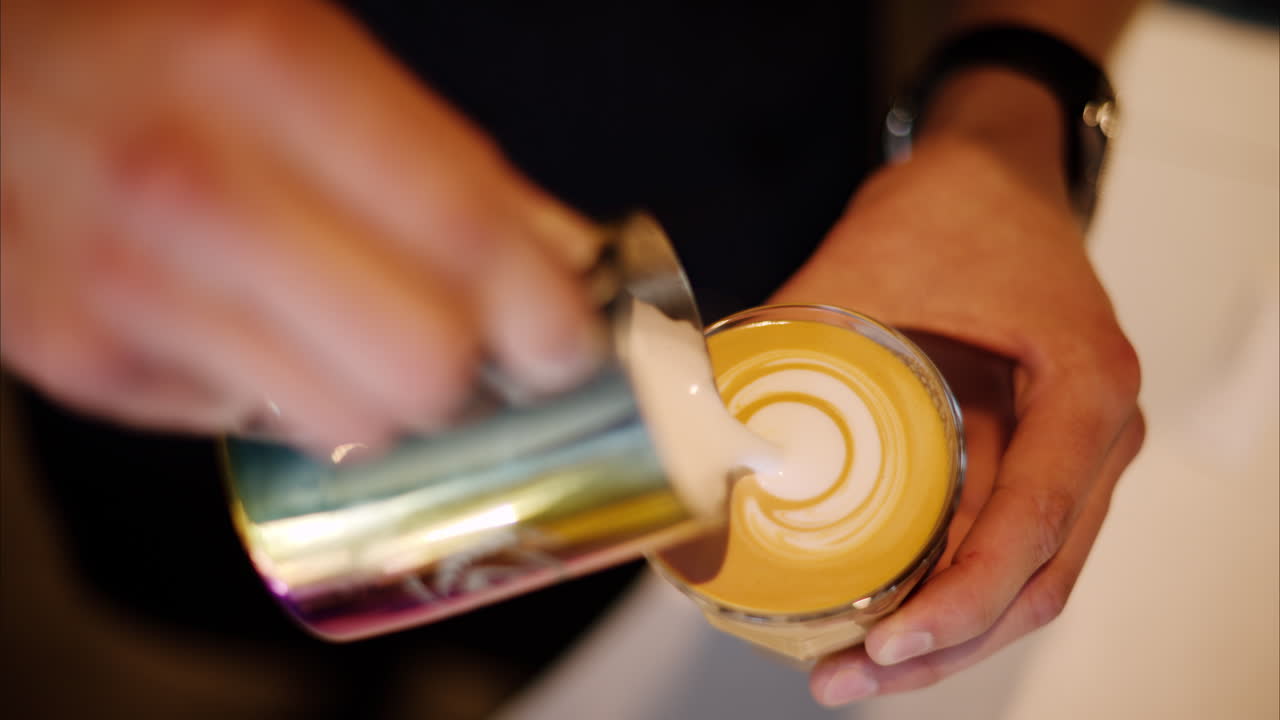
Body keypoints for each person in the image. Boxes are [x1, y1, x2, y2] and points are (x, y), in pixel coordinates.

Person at [0, 0, 1146, 711]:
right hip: (169, 256)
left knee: (570, 629)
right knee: (258, 602)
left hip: (771, 216)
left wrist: (1004, 119)